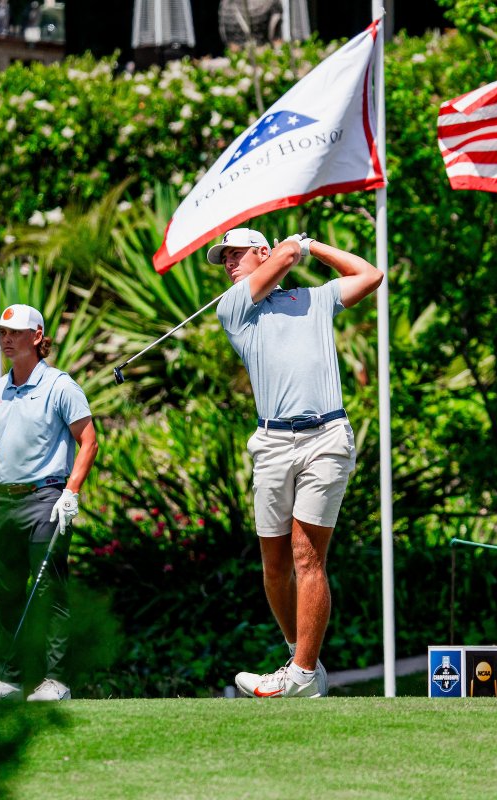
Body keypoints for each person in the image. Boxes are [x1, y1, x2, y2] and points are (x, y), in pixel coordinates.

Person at [211, 227, 383, 698]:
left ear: (260, 252)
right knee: (274, 566)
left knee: (307, 557)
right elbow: (286, 255)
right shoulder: (235, 308)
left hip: (326, 435)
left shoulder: (314, 299)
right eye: (223, 257)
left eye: (236, 254)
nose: (228, 263)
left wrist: (314, 246)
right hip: (270, 443)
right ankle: (299, 657)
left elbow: (370, 274)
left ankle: (304, 673)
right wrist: (293, 247)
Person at [0, 303, 97, 702]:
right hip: (4, 501)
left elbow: (88, 440)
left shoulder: (60, 386)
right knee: (5, 592)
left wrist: (71, 491)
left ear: (37, 337)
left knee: (48, 591)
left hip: (47, 498)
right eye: (2, 333)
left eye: (15, 332)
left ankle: (56, 680)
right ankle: (11, 678)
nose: (6, 339)